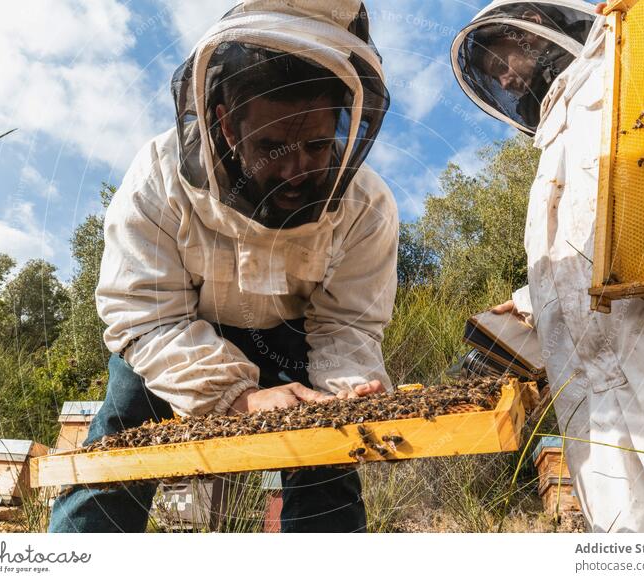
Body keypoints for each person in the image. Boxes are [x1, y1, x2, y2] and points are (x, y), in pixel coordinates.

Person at [48, 0, 398, 533]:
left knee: (329, 455)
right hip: (175, 333)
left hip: (296, 340)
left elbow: (347, 324)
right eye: (273, 146)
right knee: (118, 445)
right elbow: (146, 316)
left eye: (317, 145)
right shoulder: (157, 180)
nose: (296, 169)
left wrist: (347, 388)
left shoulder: (367, 209)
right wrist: (238, 398)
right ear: (225, 126)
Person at [451, 0, 644, 532]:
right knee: (627, 538)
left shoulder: (634, 55)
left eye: (502, 61)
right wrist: (530, 299)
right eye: (494, 77)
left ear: (531, 26)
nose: (506, 81)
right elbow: (581, 238)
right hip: (590, 384)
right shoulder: (551, 136)